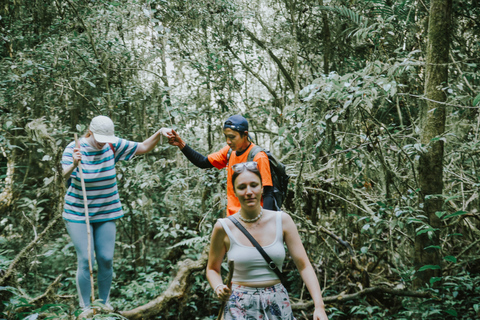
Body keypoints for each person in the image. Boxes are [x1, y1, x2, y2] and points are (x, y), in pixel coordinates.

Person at [61, 115, 168, 312]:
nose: (103, 144)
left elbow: (143, 147)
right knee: (86, 259)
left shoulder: (113, 145)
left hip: (106, 211)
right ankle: (85, 307)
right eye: (100, 139)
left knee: (106, 258)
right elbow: (62, 175)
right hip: (78, 212)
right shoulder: (74, 147)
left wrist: (159, 133)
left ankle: (103, 303)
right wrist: (74, 164)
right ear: (90, 133)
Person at [206, 162, 328, 320]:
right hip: (238, 305)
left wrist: (319, 306)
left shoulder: (282, 220)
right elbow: (212, 269)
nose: (249, 192)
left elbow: (304, 265)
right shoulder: (223, 227)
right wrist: (218, 287)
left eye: (254, 185)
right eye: (242, 187)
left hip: (277, 302)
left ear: (262, 188)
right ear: (234, 191)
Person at [165, 114, 276, 216]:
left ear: (245, 134)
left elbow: (268, 193)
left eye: (232, 137)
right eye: (226, 136)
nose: (228, 141)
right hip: (233, 219)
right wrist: (180, 144)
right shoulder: (229, 152)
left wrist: (265, 223)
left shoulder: (258, 157)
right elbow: (202, 162)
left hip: (253, 218)